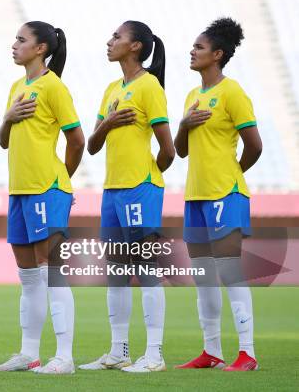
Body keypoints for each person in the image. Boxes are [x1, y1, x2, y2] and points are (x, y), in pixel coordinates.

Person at [0, 21, 85, 375]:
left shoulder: (53, 87)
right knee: (28, 276)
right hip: (20, 190)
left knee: (52, 273)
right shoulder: (17, 86)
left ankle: (64, 357)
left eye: (21, 40)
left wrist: (62, 182)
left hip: (46, 188)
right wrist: (7, 117)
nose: (14, 45)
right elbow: (4, 140)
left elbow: (77, 140)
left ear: (41, 48)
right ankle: (29, 353)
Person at [82, 21, 175, 373]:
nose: (110, 41)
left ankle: (154, 355)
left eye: (117, 37)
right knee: (117, 272)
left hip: (139, 188)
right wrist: (107, 123)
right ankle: (118, 350)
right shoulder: (111, 89)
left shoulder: (149, 86)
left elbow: (167, 150)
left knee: (146, 270)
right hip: (112, 190)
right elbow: (92, 145)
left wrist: (147, 182)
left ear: (136, 46)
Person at [174, 18, 262, 372]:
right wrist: (184, 125)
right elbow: (180, 150)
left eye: (199, 47)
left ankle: (248, 353)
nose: (192, 52)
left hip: (225, 193)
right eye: (193, 46)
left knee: (230, 272)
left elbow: (254, 145)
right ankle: (211, 351)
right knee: (203, 276)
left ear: (218, 54)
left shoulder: (232, 92)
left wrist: (232, 174)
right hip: (195, 196)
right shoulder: (193, 96)